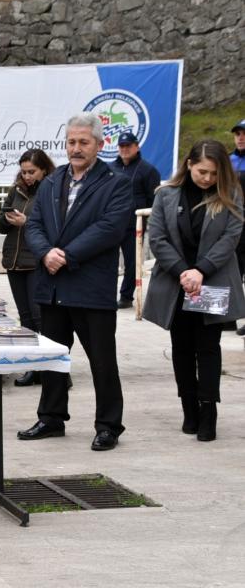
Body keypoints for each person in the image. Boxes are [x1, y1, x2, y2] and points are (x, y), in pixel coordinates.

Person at [18, 112, 131, 452]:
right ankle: (51, 418)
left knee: (102, 360)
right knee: (52, 358)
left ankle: (109, 425)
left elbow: (109, 229)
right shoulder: (53, 182)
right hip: (52, 286)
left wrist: (64, 255)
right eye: (71, 142)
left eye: (84, 142)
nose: (76, 149)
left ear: (100, 143)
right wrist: (45, 253)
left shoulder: (116, 183)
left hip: (90, 287)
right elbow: (34, 225)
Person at [143, 139, 244, 442]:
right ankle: (188, 406)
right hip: (177, 284)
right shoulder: (166, 195)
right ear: (189, 165)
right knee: (182, 349)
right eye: (202, 172)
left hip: (210, 282)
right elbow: (157, 238)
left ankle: (208, 409)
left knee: (208, 348)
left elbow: (230, 238)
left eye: (214, 174)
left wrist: (201, 270)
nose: (208, 179)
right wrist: (183, 272)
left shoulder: (231, 195)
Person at [0, 148, 55, 387]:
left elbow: (53, 226)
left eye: (32, 171)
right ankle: (33, 367)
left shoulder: (51, 189)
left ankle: (52, 369)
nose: (27, 176)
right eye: (24, 171)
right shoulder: (16, 190)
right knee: (26, 318)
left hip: (37, 261)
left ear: (44, 169)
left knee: (41, 317)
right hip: (14, 261)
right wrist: (6, 218)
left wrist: (26, 222)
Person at [111, 131, 161, 308]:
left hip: (134, 225)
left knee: (132, 263)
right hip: (111, 224)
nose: (125, 149)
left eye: (128, 146)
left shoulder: (148, 170)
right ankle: (107, 293)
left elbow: (154, 200)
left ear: (136, 146)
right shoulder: (110, 168)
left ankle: (126, 297)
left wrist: (147, 223)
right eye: (122, 146)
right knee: (107, 261)